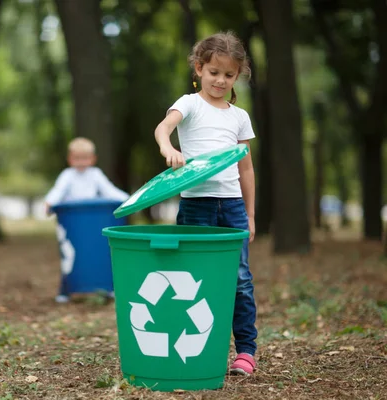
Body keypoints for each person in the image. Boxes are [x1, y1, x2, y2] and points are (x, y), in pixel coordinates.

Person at [153, 31, 258, 376]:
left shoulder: (239, 116)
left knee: (240, 279)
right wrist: (169, 149)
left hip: (231, 208)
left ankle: (245, 351)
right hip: (196, 205)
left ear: (237, 76)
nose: (220, 80)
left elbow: (245, 168)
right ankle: (197, 347)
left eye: (229, 75)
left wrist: (250, 214)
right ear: (199, 68)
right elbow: (163, 128)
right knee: (193, 280)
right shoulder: (189, 104)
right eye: (214, 72)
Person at [45, 137, 129, 303]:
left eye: (85, 158)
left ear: (93, 159)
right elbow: (58, 191)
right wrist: (50, 202)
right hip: (72, 222)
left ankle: (106, 287)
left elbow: (109, 191)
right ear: (70, 159)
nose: (81, 162)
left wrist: (128, 200)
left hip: (92, 220)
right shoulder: (67, 175)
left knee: (100, 253)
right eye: (77, 158)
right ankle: (66, 290)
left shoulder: (95, 174)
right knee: (70, 255)